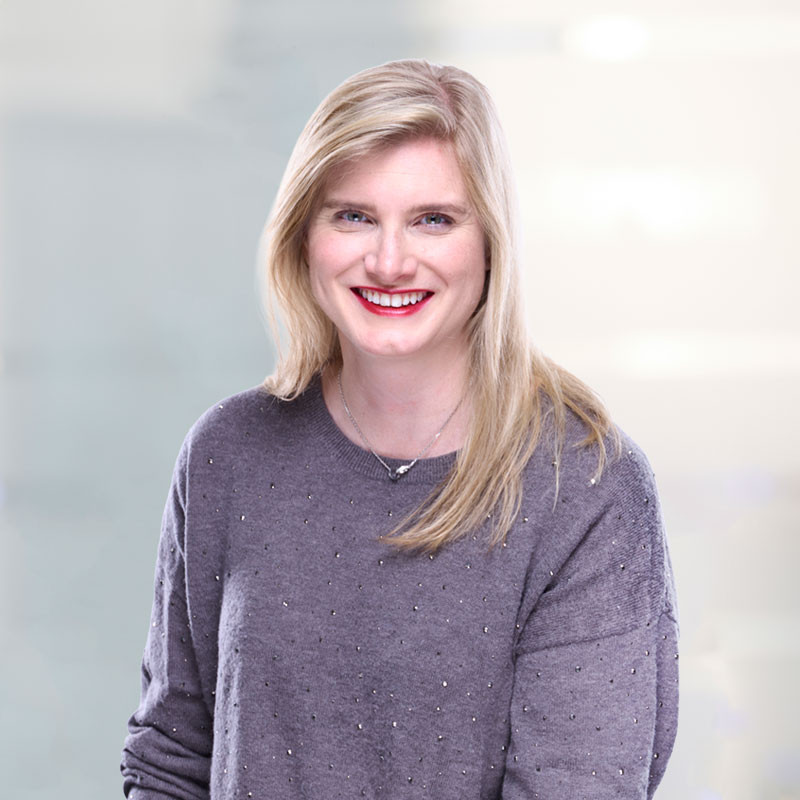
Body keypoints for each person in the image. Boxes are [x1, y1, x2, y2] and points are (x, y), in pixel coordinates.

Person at [121, 59, 678, 799]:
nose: (388, 261)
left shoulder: (584, 487)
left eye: (434, 220)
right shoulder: (229, 455)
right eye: (353, 215)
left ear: (490, 246)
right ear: (304, 236)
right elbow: (172, 758)